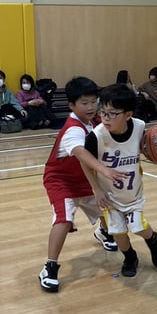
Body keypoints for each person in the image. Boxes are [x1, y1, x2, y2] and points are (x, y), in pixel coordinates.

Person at [38, 76, 128, 293]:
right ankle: (49, 267)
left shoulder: (94, 123)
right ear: (71, 105)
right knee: (63, 219)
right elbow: (80, 153)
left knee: (109, 209)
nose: (90, 107)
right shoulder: (73, 129)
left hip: (85, 180)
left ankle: (103, 232)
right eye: (84, 103)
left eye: (94, 101)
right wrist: (103, 173)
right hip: (62, 181)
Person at [81, 83, 157, 278]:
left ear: (128, 115)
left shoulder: (140, 128)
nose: (105, 118)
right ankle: (130, 257)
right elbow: (85, 162)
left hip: (133, 193)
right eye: (103, 112)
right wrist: (96, 190)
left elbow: (149, 148)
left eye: (112, 114)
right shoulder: (96, 136)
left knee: (138, 227)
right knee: (118, 233)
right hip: (109, 196)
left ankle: (153, 240)